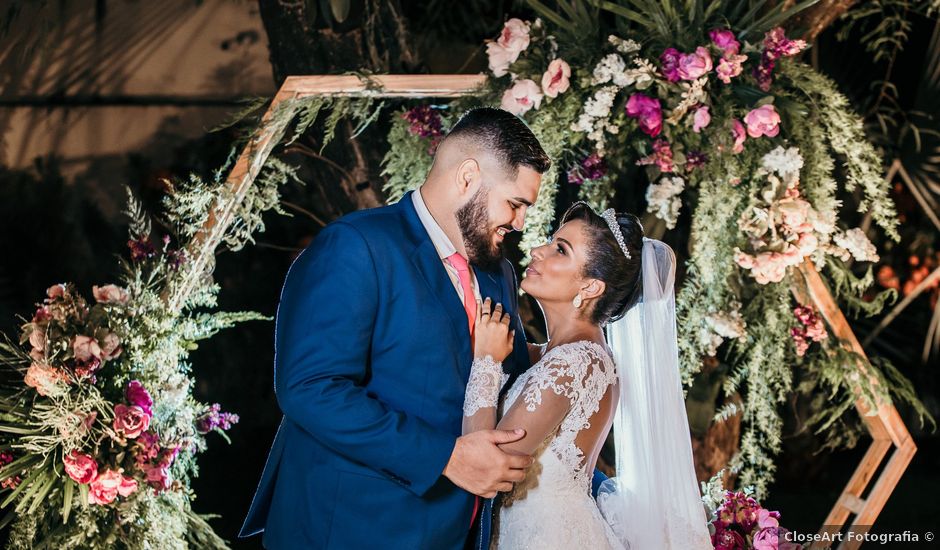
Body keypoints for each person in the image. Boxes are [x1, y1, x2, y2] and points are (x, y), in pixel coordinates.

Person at [239, 107, 550, 549]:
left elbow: (511, 380)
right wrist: (445, 458)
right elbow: (310, 387)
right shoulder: (356, 246)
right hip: (352, 527)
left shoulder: (497, 271)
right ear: (467, 177)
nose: (520, 223)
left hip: (457, 532)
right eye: (515, 204)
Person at [465, 202, 713, 549]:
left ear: (592, 287)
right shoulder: (556, 354)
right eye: (551, 241)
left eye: (560, 250)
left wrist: (487, 361)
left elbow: (484, 465)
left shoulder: (575, 364)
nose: (538, 250)